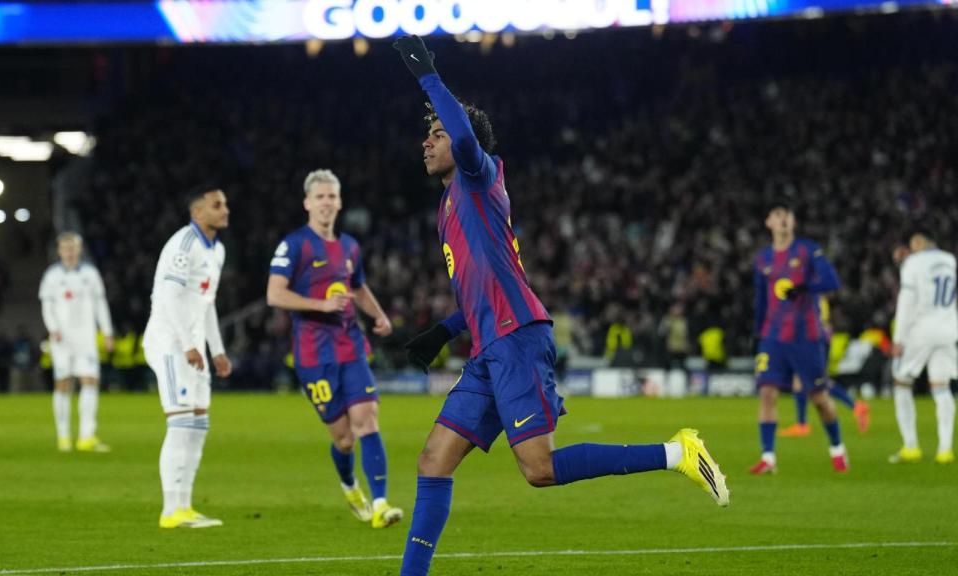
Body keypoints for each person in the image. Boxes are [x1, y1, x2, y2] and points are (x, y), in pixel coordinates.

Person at [391, 35, 729, 576]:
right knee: (434, 460)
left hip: (517, 339)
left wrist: (429, 76)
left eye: (436, 134)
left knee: (539, 469)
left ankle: (679, 452)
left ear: (463, 142)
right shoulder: (450, 207)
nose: (426, 144)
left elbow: (461, 133)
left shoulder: (480, 178)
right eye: (426, 135)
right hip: (488, 346)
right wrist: (441, 331)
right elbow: (482, 289)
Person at [266, 169, 402, 529]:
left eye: (332, 196)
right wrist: (320, 306)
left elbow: (357, 288)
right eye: (320, 197)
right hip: (313, 355)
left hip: (350, 346)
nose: (327, 203)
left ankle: (381, 504)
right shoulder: (294, 245)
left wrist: (379, 315)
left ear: (339, 202)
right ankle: (348, 484)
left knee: (367, 422)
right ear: (308, 203)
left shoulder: (349, 247)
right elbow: (274, 293)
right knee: (343, 439)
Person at [143, 185, 232, 528]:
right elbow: (168, 298)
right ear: (198, 213)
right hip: (169, 342)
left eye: (225, 204)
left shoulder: (217, 251)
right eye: (217, 205)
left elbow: (206, 305)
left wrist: (218, 350)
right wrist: (186, 344)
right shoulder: (184, 245)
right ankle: (170, 510)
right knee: (180, 423)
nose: (225, 210)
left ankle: (185, 506)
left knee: (198, 424)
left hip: (192, 347)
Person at [750, 203, 847, 474]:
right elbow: (760, 299)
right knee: (767, 393)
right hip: (772, 336)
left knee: (818, 398)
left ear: (792, 222)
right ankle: (768, 458)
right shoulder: (762, 259)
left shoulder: (807, 250)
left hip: (806, 335)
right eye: (777, 215)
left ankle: (837, 448)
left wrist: (805, 287)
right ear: (768, 222)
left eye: (787, 216)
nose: (782, 220)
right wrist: (756, 333)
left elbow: (832, 281)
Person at [38, 232, 114, 452]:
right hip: (62, 339)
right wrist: (53, 329)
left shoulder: (90, 274)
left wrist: (107, 331)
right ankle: (63, 436)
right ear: (60, 251)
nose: (69, 252)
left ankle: (86, 436)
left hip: (86, 338)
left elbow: (100, 304)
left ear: (79, 250)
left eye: (73, 248)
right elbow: (47, 306)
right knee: (63, 383)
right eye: (65, 248)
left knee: (90, 381)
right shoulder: (51, 276)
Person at [889, 230, 956, 464]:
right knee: (941, 386)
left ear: (917, 241)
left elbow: (906, 302)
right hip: (949, 327)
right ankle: (945, 450)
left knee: (901, 382)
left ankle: (911, 446)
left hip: (922, 329)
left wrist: (899, 339)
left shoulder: (914, 262)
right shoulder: (950, 260)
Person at [779, 296, 870, 438]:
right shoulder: (813, 294)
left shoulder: (809, 295)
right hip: (815, 338)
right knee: (803, 381)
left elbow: (810, 319)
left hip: (813, 340)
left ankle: (855, 406)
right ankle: (802, 424)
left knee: (816, 381)